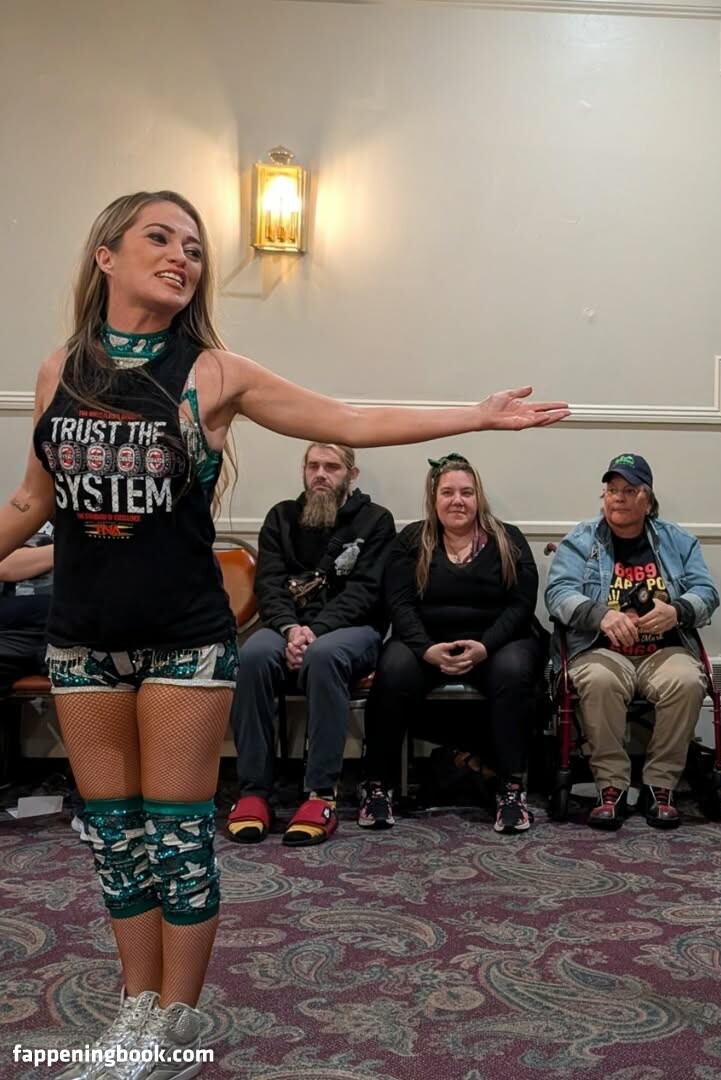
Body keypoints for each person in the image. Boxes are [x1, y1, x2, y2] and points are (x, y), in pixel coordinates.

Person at [0, 189, 567, 1079]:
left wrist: (476, 415)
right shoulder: (58, 371)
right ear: (105, 255)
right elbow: (31, 502)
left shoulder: (214, 373)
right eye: (160, 238)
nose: (182, 257)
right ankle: (134, 1010)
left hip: (184, 641)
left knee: (176, 835)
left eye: (194, 247)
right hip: (80, 642)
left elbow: (348, 421)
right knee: (115, 837)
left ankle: (175, 1021)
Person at [360, 452, 545, 834]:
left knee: (513, 671)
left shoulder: (508, 539)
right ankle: (378, 786)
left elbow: (521, 604)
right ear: (434, 498)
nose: (457, 500)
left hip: (497, 643)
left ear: (479, 497)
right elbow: (399, 603)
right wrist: (425, 649)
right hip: (428, 644)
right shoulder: (412, 540)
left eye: (466, 492)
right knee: (393, 669)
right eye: (447, 492)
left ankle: (511, 789)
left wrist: (486, 647)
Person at [225, 442, 395, 847]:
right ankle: (253, 791)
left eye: (331, 467)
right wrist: (290, 629)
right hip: (288, 628)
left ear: (351, 475)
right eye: (313, 465)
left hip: (352, 630)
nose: (320, 474)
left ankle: (320, 793)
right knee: (252, 656)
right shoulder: (281, 517)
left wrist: (313, 631)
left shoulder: (376, 521)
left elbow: (366, 593)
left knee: (323, 656)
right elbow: (269, 585)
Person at [545, 454, 719, 830]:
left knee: (688, 680)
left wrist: (678, 611)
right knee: (598, 681)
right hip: (600, 650)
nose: (618, 498)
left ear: (648, 500)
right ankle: (612, 788)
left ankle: (661, 786)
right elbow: (557, 593)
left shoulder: (677, 541)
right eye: (611, 490)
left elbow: (707, 592)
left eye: (629, 490)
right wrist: (600, 615)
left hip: (663, 650)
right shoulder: (581, 540)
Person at [0, 522, 53, 694]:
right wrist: (73, 548)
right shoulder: (16, 517)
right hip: (12, 630)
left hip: (74, 630)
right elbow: (5, 564)